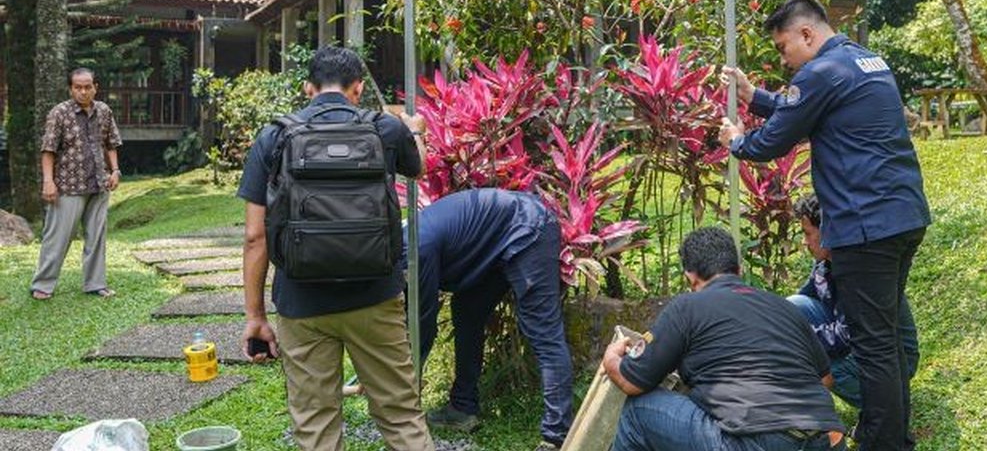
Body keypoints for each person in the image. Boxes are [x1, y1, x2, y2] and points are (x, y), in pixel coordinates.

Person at [719, 0, 930, 451]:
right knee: (886, 337)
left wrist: (737, 142)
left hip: (865, 226)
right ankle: (893, 436)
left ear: (807, 34)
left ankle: (884, 442)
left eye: (782, 47)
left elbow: (772, 142)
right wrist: (754, 97)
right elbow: (804, 108)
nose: (784, 58)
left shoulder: (818, 73)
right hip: (903, 216)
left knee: (873, 344)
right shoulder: (862, 60)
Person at [238, 45, 433, 451]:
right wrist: (413, 129)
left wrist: (255, 316)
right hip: (375, 300)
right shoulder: (385, 128)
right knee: (400, 415)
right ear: (358, 89)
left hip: (301, 303)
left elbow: (255, 237)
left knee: (316, 425)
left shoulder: (274, 135)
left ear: (308, 89)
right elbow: (421, 167)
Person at [604, 226, 846, 451]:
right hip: (824, 438)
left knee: (637, 413)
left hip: (759, 442)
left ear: (690, 277)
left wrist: (611, 358)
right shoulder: (784, 307)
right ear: (739, 270)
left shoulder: (686, 307)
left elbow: (632, 381)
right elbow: (825, 379)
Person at [410, 188, 573, 451]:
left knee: (543, 331)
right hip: (490, 246)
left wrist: (396, 390)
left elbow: (421, 326)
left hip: (527, 228)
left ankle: (557, 436)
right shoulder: (404, 245)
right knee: (467, 312)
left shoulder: (416, 250)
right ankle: (463, 408)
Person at [787, 194, 919, 409]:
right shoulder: (826, 262)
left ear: (827, 231)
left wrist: (799, 339)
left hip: (894, 358)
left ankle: (882, 405)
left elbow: (846, 336)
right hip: (857, 339)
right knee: (793, 307)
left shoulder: (859, 269)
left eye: (807, 233)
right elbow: (805, 300)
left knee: (826, 365)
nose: (804, 241)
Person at [30, 68, 123, 300]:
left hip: (99, 184)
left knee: (97, 237)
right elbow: (48, 150)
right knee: (57, 237)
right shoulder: (59, 113)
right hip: (68, 186)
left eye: (87, 86)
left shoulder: (104, 111)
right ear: (71, 89)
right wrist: (48, 182)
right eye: (78, 87)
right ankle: (42, 285)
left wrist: (115, 171)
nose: (83, 91)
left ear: (95, 87)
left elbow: (111, 143)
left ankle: (95, 283)